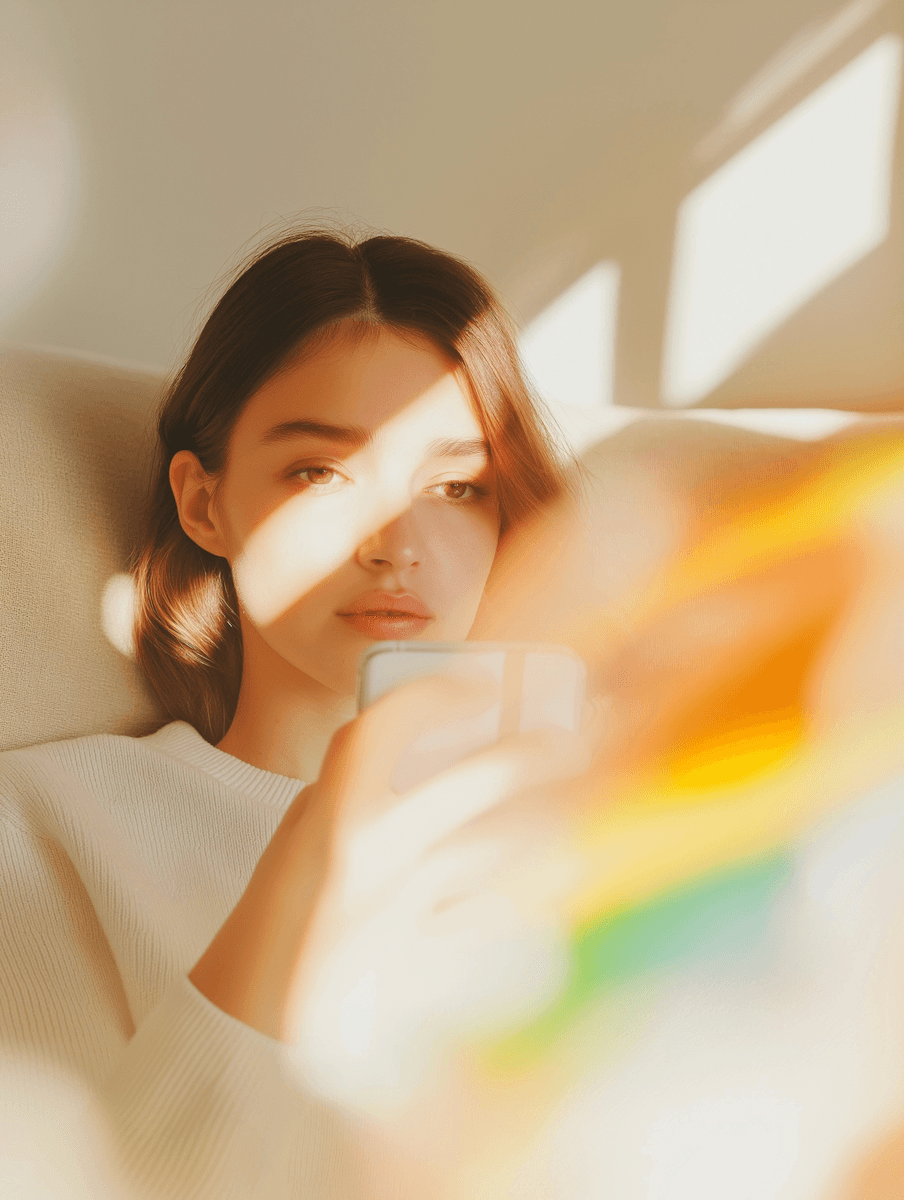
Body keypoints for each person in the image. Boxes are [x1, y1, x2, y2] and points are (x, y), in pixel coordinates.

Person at [0, 228, 594, 1200]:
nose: (397, 545)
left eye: (456, 486)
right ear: (204, 502)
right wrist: (315, 850)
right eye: (321, 471)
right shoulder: (42, 821)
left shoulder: (585, 818)